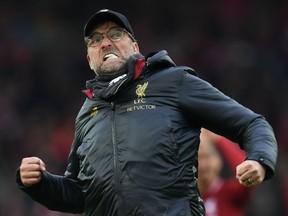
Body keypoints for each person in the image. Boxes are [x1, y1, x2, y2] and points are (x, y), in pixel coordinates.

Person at [15, 8, 278, 216]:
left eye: (115, 34)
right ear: (89, 59)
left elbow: (252, 124)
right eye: (95, 40)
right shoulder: (88, 111)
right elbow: (81, 194)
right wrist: (38, 183)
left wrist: (259, 160)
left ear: (135, 47)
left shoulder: (173, 82)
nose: (105, 42)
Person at [198, 128, 252, 216]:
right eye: (198, 158)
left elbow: (247, 171)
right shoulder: (186, 198)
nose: (203, 164)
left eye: (207, 157)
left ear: (218, 161)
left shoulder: (231, 193)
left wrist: (219, 139)